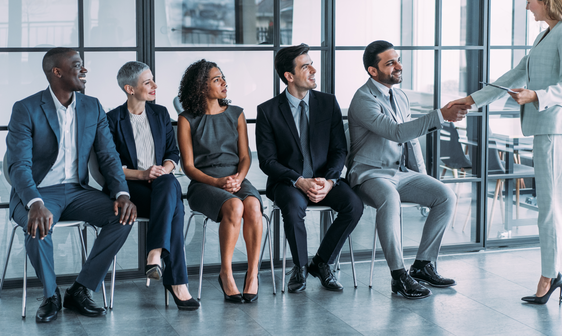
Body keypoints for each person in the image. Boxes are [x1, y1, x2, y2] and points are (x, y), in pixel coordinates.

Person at [447, 0, 562, 305]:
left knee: (550, 205)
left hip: (556, 127)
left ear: (545, 0)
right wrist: (470, 101)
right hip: (547, 127)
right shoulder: (547, 34)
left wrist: (536, 95)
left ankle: (549, 274)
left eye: (530, 0)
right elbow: (514, 74)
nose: (527, 6)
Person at [5, 47, 137, 323]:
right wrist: (35, 203)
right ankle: (51, 295)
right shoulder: (26, 109)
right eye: (77, 65)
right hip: (38, 193)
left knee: (123, 217)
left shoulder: (92, 106)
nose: (84, 69)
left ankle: (81, 289)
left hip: (77, 192)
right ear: (57, 72)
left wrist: (122, 193)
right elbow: (18, 165)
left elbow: (108, 155)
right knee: (37, 225)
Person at [346, 40, 470, 300]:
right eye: (390, 63)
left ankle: (423, 264)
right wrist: (441, 115)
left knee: (445, 196)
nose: (399, 66)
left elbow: (410, 141)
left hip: (400, 173)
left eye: (398, 60)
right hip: (370, 173)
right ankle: (399, 276)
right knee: (389, 199)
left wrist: (423, 177)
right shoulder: (362, 99)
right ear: (372, 71)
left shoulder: (400, 96)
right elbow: (397, 132)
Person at [256, 44, 363, 293]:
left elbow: (339, 150)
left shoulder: (328, 103)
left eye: (312, 63)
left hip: (325, 179)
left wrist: (329, 181)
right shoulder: (268, 111)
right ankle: (300, 267)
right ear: (289, 76)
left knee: (354, 205)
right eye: (306, 66)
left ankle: (322, 262)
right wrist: (298, 180)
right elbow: (267, 161)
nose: (314, 70)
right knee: (293, 209)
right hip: (288, 182)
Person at [106, 61, 199, 310]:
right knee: (175, 207)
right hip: (131, 188)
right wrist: (144, 173)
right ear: (130, 88)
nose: (155, 86)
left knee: (169, 184)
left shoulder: (160, 115)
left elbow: (172, 153)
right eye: (148, 82)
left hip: (161, 184)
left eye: (153, 80)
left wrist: (163, 169)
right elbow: (112, 167)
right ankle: (177, 282)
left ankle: (155, 254)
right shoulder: (112, 120)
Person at [176, 60, 264, 303]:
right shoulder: (186, 119)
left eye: (223, 77)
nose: (224, 83)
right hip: (204, 183)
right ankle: (226, 273)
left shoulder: (237, 113)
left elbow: (245, 156)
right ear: (201, 87)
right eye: (217, 80)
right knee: (235, 206)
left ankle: (252, 274)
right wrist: (217, 182)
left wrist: (239, 178)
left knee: (254, 206)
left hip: (236, 178)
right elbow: (189, 167)